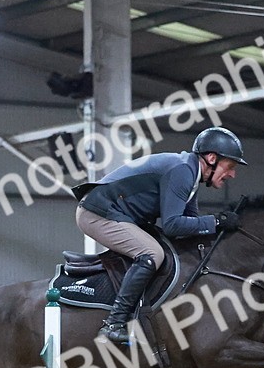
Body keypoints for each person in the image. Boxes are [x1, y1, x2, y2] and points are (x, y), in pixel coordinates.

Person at [73, 126, 247, 345]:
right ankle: (113, 324)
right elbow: (173, 225)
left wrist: (219, 228)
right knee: (151, 253)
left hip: (118, 214)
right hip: (97, 213)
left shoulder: (190, 175)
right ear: (211, 158)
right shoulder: (183, 171)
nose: (232, 174)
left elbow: (191, 225)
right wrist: (217, 221)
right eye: (229, 166)